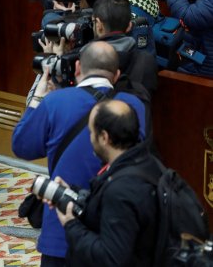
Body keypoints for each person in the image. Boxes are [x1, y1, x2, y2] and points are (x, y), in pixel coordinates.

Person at [12, 41, 147, 267]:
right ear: (117, 74)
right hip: (115, 227)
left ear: (77, 68)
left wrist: (38, 99)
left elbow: (22, 146)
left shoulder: (56, 101)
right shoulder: (133, 106)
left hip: (63, 227)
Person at [52, 99, 161, 266]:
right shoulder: (147, 162)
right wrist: (76, 195)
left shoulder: (121, 189)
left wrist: (71, 225)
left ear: (104, 137)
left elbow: (109, 259)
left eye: (91, 132)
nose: (90, 138)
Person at [90, 0, 157, 96]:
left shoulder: (87, 59)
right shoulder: (147, 60)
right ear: (129, 26)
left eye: (93, 22)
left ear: (98, 25)